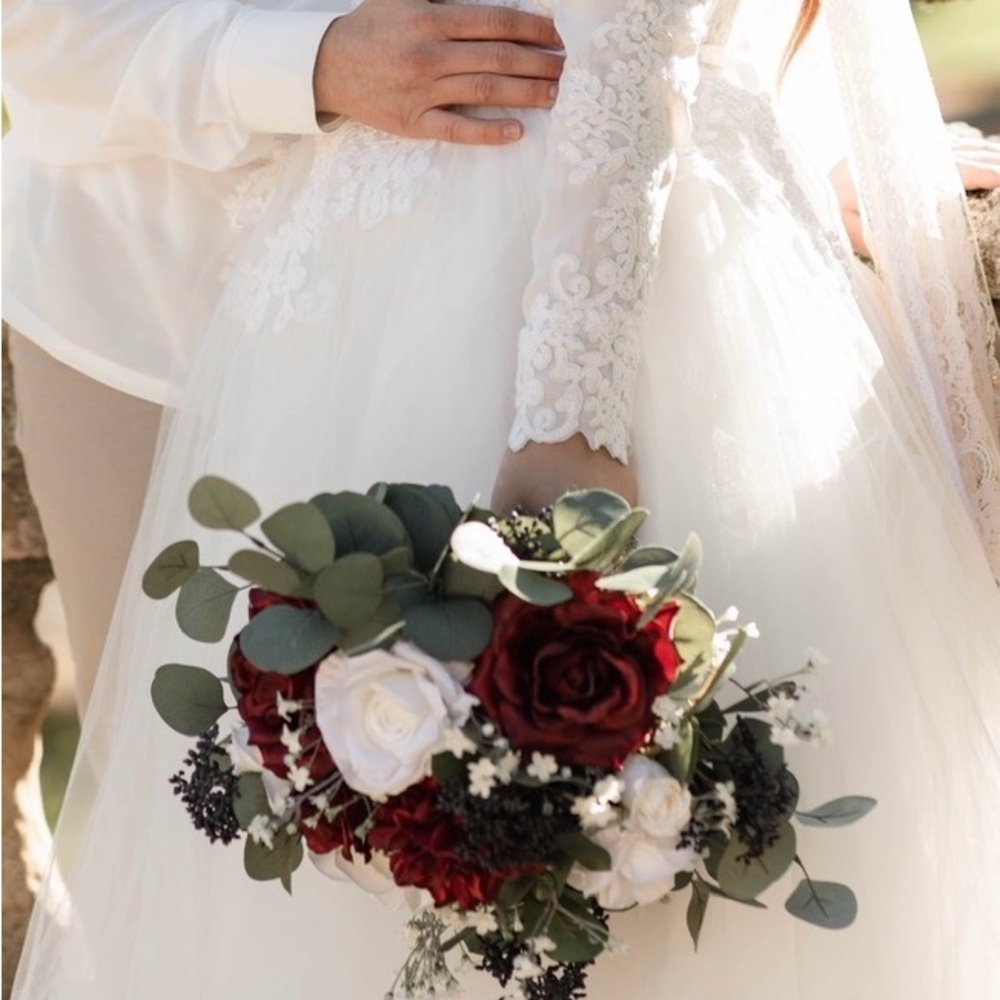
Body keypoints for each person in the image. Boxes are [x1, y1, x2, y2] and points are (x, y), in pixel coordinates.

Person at [11, 0, 1000, 997]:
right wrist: (304, 61)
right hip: (161, 279)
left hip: (551, 257)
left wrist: (783, 138)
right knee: (232, 856)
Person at [3, 0, 565, 714]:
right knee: (161, 761)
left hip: (450, 300)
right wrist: (312, 62)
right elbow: (35, 30)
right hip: (139, 307)